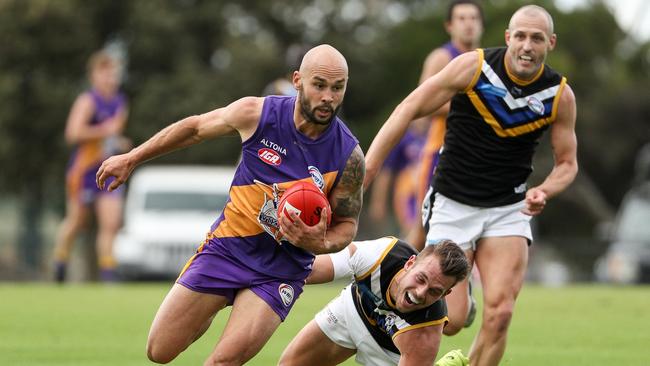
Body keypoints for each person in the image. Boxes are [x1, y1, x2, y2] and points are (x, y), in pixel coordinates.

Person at [96, 44, 365, 365]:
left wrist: (319, 242)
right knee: (159, 350)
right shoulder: (258, 114)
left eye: (338, 88)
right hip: (226, 249)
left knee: (221, 363)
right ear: (297, 80)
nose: (328, 97)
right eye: (319, 85)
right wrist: (132, 158)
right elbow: (195, 129)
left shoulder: (349, 155)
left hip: (280, 271)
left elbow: (347, 225)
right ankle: (212, 305)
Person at [364, 5, 578, 366]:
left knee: (502, 314)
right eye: (521, 36)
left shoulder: (558, 95)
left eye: (537, 38)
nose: (527, 45)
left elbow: (568, 164)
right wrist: (368, 170)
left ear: (550, 43)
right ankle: (463, 303)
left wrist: (545, 190)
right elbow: (409, 108)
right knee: (453, 320)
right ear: (508, 38)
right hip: (452, 202)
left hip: (508, 208)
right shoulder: (475, 68)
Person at [278, 236, 470, 366]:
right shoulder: (379, 254)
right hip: (352, 309)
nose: (420, 293)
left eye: (435, 291)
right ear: (410, 263)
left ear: (445, 294)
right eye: (421, 279)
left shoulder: (426, 329)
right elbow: (308, 271)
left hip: (389, 352)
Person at [410, 0, 484, 248]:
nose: (469, 24)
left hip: (473, 156)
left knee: (470, 229)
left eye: (473, 18)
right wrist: (471, 106)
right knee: (423, 228)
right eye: (462, 18)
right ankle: (395, 281)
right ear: (449, 25)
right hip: (439, 153)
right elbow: (421, 102)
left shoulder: (484, 61)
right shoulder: (441, 57)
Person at [53, 50, 129, 283]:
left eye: (113, 73)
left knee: (111, 222)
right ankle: (60, 262)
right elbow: (73, 133)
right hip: (84, 170)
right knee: (77, 221)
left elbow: (112, 136)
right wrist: (103, 130)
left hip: (108, 168)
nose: (110, 78)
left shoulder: (120, 102)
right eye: (104, 73)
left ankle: (108, 275)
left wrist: (120, 142)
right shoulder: (87, 101)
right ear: (94, 75)